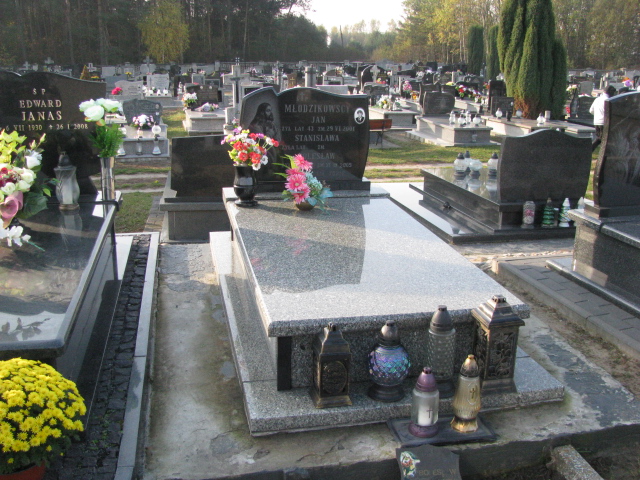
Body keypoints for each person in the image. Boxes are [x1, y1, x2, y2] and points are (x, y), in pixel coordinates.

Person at [589, 85, 616, 150]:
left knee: (601, 138)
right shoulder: (608, 100)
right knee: (601, 139)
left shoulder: (597, 99)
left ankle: (592, 150)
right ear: (610, 92)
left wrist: (598, 115)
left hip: (596, 121)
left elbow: (591, 110)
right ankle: (589, 150)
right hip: (604, 122)